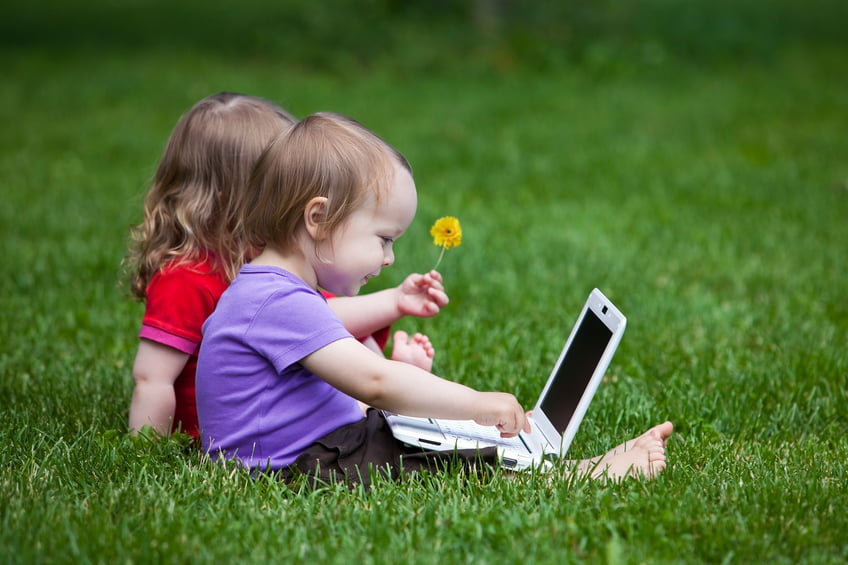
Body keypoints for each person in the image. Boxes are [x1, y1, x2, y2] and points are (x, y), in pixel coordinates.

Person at [196, 112, 673, 487]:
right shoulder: (277, 302)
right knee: (436, 458)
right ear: (317, 218)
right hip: (301, 464)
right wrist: (476, 405)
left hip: (317, 448)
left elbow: (347, 353)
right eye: (383, 239)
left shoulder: (272, 292)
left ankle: (521, 450)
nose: (389, 258)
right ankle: (578, 475)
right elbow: (374, 381)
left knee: (427, 435)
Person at [125, 93, 448, 439]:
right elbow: (151, 378)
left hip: (291, 411)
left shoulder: (275, 267)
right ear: (235, 195)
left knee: (352, 359)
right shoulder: (187, 278)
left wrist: (394, 301)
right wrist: (149, 450)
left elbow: (326, 319)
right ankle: (391, 399)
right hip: (242, 430)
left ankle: (395, 395)